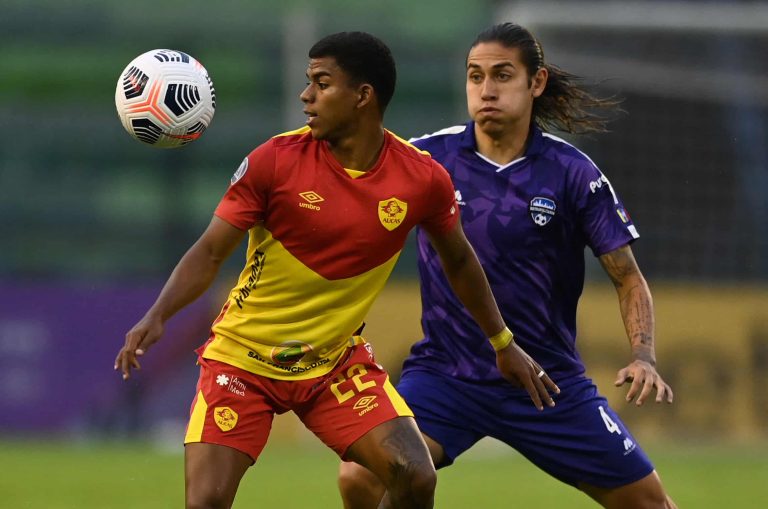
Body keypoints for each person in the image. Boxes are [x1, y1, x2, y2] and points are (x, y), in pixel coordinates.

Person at [114, 31, 557, 509]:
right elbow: (209, 252)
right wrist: (158, 314)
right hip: (243, 360)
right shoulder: (275, 161)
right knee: (205, 502)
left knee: (415, 477)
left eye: (321, 84)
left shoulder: (422, 178)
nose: (306, 96)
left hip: (333, 365)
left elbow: (461, 260)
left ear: (362, 96)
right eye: (307, 82)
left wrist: (502, 342)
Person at [338, 22, 677, 509]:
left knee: (651, 505)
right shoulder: (426, 159)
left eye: (501, 76)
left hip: (547, 383)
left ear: (535, 83)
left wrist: (643, 355)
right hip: (446, 375)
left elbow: (628, 277)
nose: (486, 90)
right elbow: (351, 218)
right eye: (475, 77)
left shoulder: (572, 173)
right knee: (359, 477)